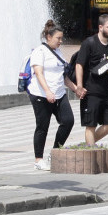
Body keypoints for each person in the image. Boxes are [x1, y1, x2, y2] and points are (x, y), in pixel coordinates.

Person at [28, 20, 80, 170]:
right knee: (42, 126)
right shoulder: (39, 51)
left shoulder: (58, 52)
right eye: (58, 38)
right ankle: (39, 160)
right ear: (48, 37)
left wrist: (75, 88)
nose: (61, 41)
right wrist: (47, 91)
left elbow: (63, 76)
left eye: (61, 38)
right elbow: (38, 73)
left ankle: (56, 151)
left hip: (59, 93)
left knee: (68, 120)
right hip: (41, 95)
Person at [75, 14, 108, 147]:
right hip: (91, 91)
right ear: (100, 27)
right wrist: (79, 86)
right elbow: (79, 65)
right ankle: (91, 150)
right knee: (91, 125)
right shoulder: (89, 43)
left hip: (106, 90)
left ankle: (88, 145)